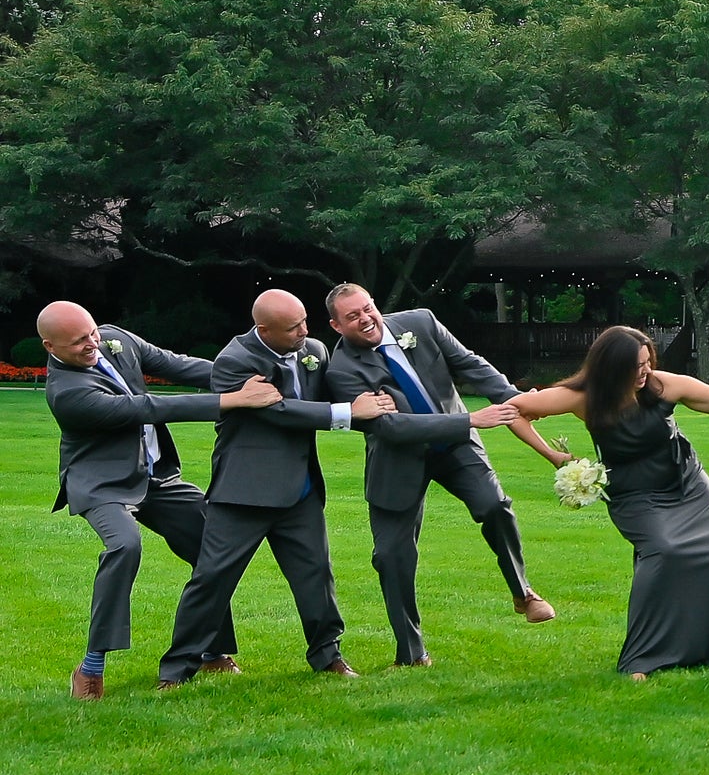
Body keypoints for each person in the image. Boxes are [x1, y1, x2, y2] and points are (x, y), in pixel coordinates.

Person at [510, 326, 709, 679]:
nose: (644, 372)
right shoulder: (583, 397)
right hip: (635, 495)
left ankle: (702, 652)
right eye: (636, 366)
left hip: (687, 484)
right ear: (611, 367)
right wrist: (554, 456)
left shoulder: (662, 385)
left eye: (648, 362)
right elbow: (515, 411)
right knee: (663, 553)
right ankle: (642, 660)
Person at [158, 290, 401, 687]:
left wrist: (363, 396)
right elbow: (277, 412)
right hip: (243, 492)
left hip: (300, 491)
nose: (304, 332)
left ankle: (328, 656)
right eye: (293, 328)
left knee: (316, 576)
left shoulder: (315, 350)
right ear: (263, 329)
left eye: (305, 321)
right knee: (212, 579)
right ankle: (177, 668)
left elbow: (332, 390)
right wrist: (346, 413)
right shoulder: (235, 361)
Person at [40, 301, 278, 699]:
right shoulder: (65, 392)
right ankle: (91, 666)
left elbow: (177, 365)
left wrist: (244, 377)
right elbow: (147, 407)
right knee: (124, 545)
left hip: (156, 477)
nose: (93, 344)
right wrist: (232, 400)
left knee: (215, 543)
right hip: (102, 482)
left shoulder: (115, 339)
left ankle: (211, 650)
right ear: (50, 346)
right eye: (79, 341)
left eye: (92, 332)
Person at [322, 283, 554, 668]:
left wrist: (514, 398)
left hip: (457, 447)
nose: (365, 319)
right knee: (391, 557)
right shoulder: (342, 369)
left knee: (494, 506)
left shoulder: (421, 322)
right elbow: (391, 428)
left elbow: (469, 364)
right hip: (399, 458)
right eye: (352, 317)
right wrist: (470, 419)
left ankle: (523, 592)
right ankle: (411, 654)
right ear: (336, 325)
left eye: (367, 308)